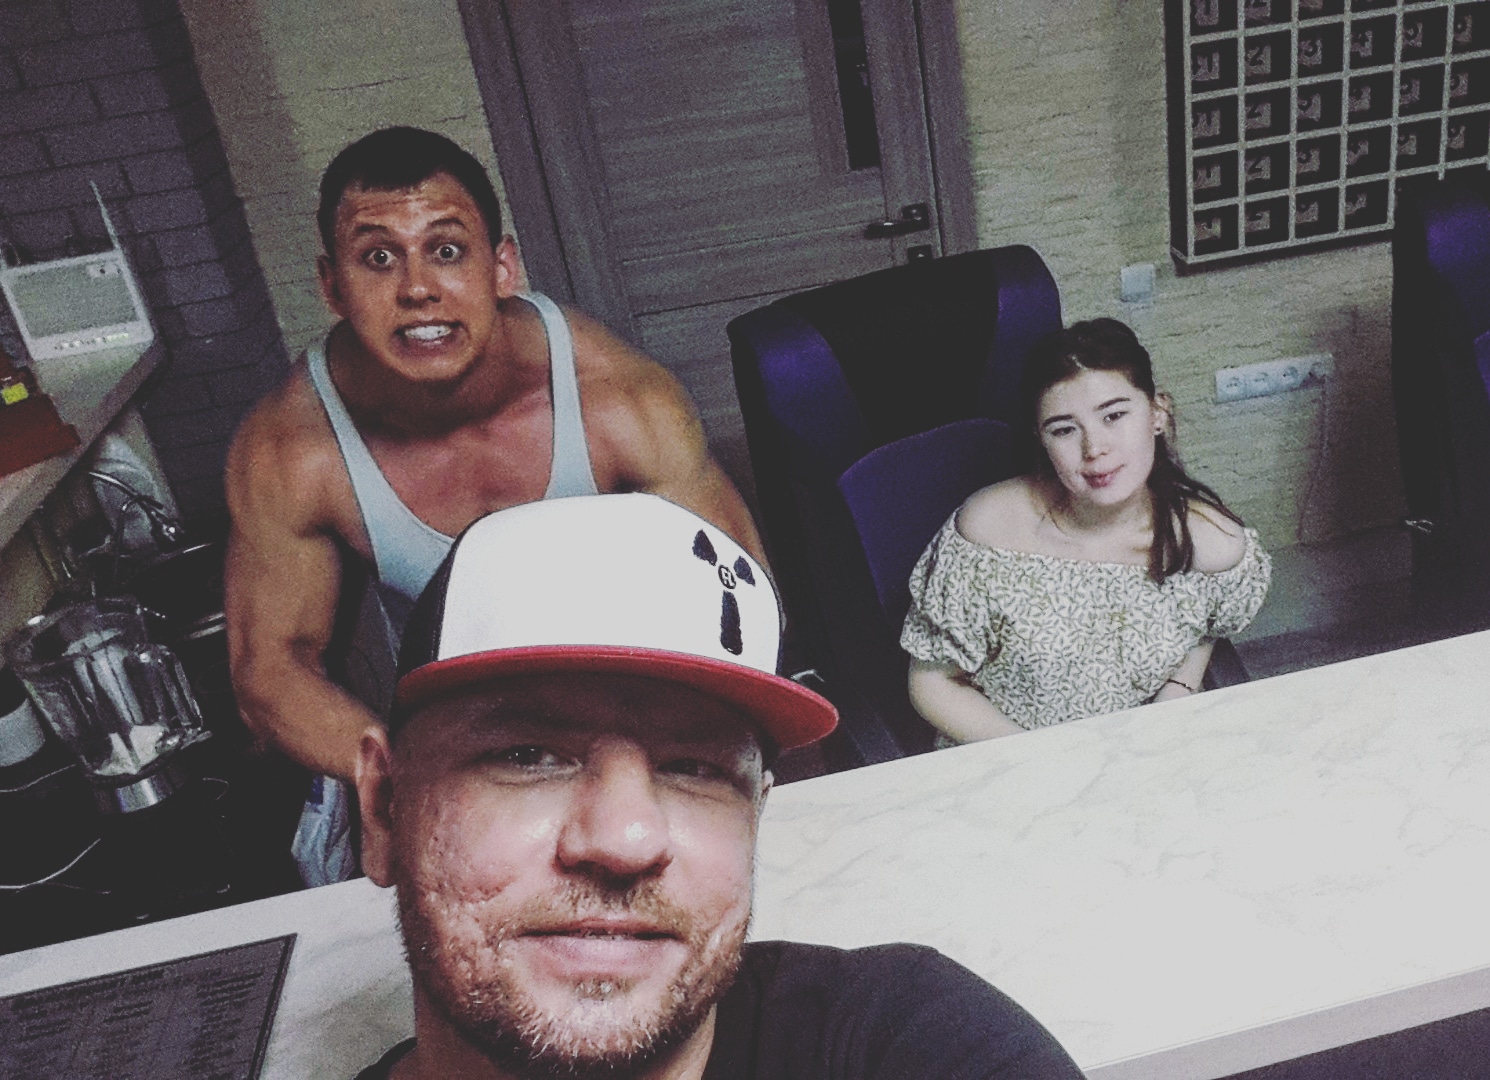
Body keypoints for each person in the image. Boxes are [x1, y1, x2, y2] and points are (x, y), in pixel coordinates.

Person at [351, 492, 1084, 1080]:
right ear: (384, 808)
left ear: (757, 816)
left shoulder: (902, 1035)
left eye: (695, 768)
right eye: (528, 754)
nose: (627, 840)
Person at [224, 128, 761, 880]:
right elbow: (268, 671)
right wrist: (405, 773)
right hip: (460, 722)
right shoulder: (292, 449)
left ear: (502, 266)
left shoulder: (621, 402)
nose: (417, 289)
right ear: (332, 286)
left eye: (446, 250)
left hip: (640, 694)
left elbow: (740, 598)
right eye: (378, 258)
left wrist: (660, 757)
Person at [901, 318, 1271, 744]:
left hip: (1143, 753)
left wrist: (1179, 687)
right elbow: (932, 684)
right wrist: (1045, 760)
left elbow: (1207, 627)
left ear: (1157, 413)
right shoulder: (988, 531)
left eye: (1113, 415)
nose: (1094, 448)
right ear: (1041, 439)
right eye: (1064, 429)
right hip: (1006, 753)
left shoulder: (1214, 545)